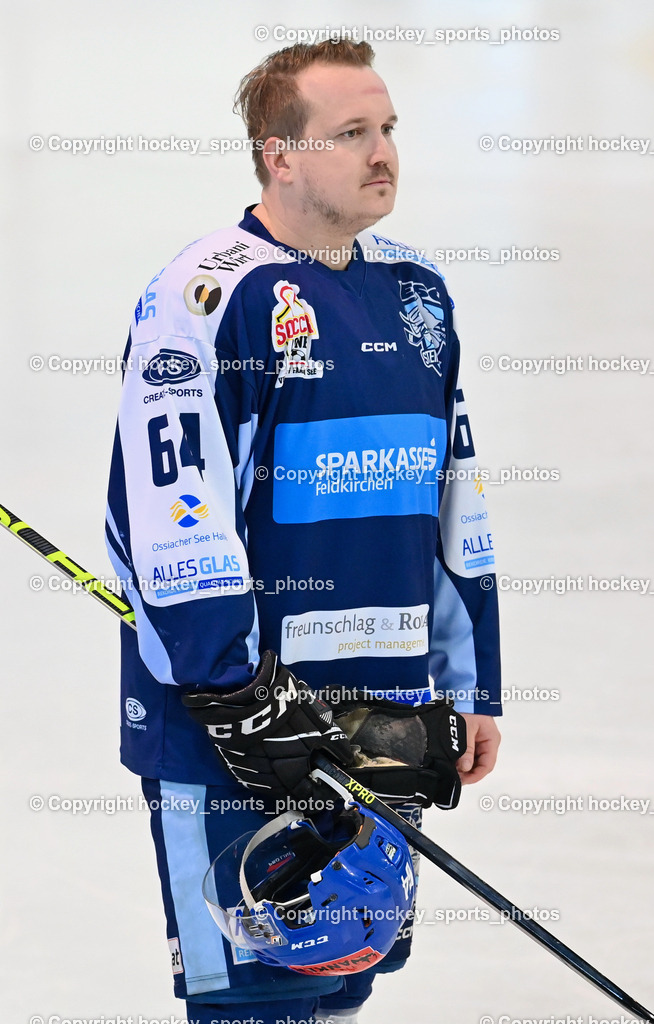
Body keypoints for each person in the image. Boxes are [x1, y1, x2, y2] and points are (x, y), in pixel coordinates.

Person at [106, 38, 502, 1024]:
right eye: (350, 132)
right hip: (240, 732)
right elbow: (168, 505)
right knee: (255, 1005)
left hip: (382, 724)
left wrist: (468, 684)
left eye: (387, 128)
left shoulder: (415, 291)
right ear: (279, 155)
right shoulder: (206, 296)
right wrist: (233, 690)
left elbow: (449, 494)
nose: (382, 152)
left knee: (337, 989)